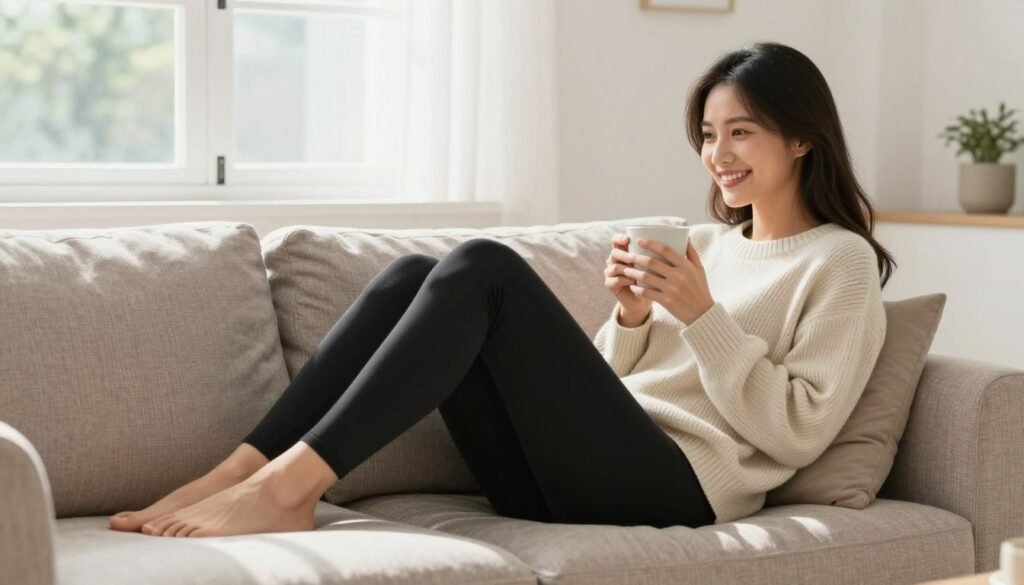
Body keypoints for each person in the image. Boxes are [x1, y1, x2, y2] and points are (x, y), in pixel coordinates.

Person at [108, 41, 894, 538]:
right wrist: (631, 316)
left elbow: (797, 434)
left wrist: (702, 317)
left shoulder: (841, 263)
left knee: (486, 267)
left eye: (742, 131)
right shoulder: (711, 244)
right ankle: (236, 472)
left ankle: (290, 485)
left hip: (677, 485)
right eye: (709, 134)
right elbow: (615, 382)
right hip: (568, 474)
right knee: (413, 276)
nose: (718, 154)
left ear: (801, 137)